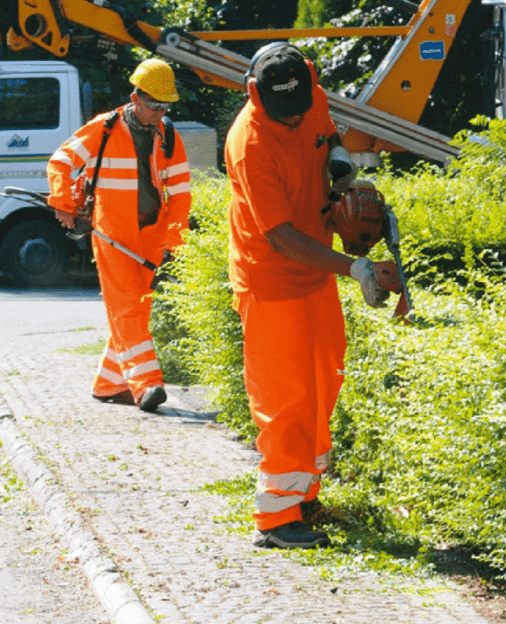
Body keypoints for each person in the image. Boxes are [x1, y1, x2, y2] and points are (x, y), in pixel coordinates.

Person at [225, 42, 393, 549]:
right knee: (286, 400)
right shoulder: (248, 142)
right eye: (286, 116)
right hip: (271, 280)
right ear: (255, 95)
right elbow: (280, 237)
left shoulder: (307, 95)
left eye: (301, 109)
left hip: (315, 275)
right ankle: (276, 518)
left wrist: (340, 162)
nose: (296, 121)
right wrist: (356, 267)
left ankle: (305, 496)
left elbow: (327, 129)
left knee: (324, 385)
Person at [47, 58, 192, 413]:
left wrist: (174, 239)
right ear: (135, 97)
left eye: (165, 106)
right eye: (154, 105)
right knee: (128, 308)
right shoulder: (104, 128)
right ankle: (147, 385)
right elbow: (60, 163)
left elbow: (181, 191)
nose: (160, 113)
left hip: (151, 237)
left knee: (136, 311)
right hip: (112, 235)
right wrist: (63, 202)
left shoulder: (168, 135)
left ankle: (109, 384)